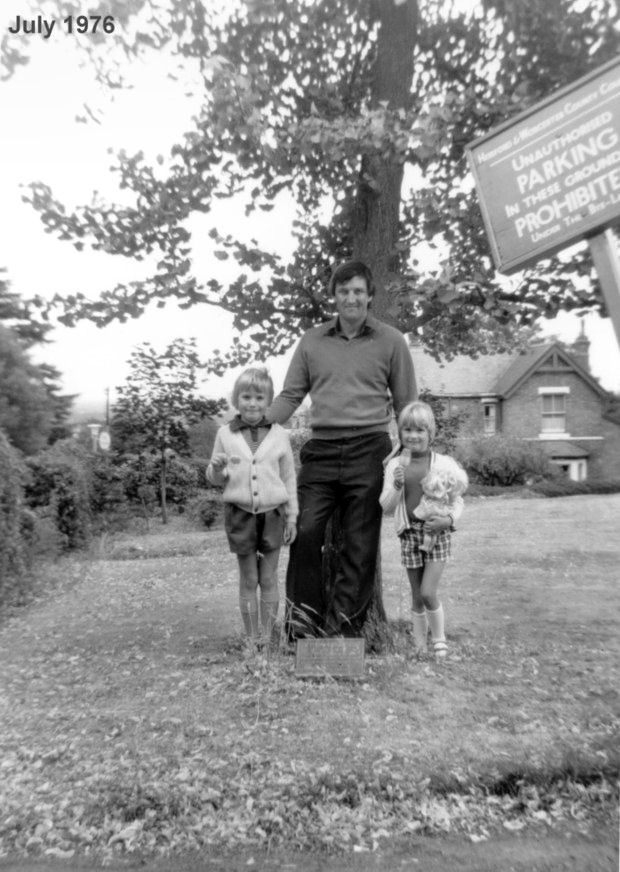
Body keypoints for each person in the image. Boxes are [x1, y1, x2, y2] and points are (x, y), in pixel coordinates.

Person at [267, 260, 417, 638]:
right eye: (343, 291)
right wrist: (254, 425)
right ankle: (302, 627)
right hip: (321, 450)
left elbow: (407, 406)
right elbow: (290, 395)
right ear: (333, 296)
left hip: (371, 450)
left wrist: (412, 458)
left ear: (369, 296)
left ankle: (342, 631)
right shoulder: (312, 341)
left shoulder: (393, 342)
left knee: (360, 542)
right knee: (304, 530)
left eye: (358, 291)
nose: (351, 298)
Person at [207, 367, 297, 648]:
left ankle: (270, 641)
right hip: (240, 516)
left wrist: (292, 516)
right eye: (246, 396)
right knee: (249, 578)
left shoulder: (280, 434)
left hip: (273, 515)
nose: (252, 403)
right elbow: (214, 477)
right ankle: (251, 639)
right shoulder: (225, 433)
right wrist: (217, 468)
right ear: (237, 399)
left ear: (269, 401)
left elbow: (289, 477)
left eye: (259, 397)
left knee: (268, 577)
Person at [380, 401, 467, 658]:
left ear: (431, 433)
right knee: (417, 594)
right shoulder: (395, 465)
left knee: (428, 591)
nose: (413, 436)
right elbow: (385, 507)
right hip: (409, 534)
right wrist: (396, 486)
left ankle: (440, 641)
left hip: (437, 532)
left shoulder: (444, 463)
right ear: (399, 432)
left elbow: (458, 499)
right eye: (407, 430)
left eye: (420, 430)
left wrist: (449, 521)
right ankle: (419, 645)